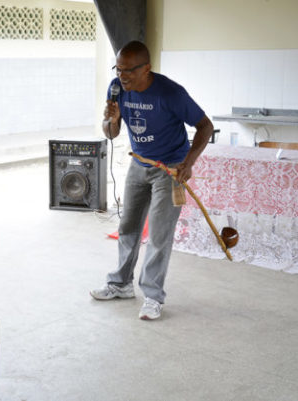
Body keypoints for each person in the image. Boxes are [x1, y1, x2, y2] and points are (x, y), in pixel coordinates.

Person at [90, 41, 214, 320]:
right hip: (139, 163)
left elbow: (205, 126)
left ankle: (153, 296)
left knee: (158, 234)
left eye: (129, 71)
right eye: (118, 69)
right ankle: (120, 284)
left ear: (146, 68)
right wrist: (111, 119)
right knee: (128, 227)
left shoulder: (171, 93)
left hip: (170, 168)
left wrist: (188, 163)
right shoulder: (117, 88)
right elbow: (110, 133)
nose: (122, 76)